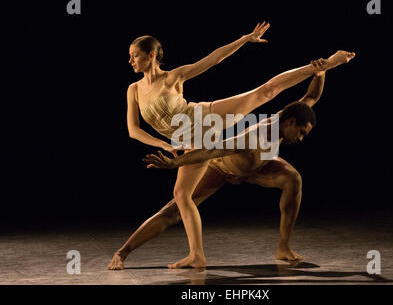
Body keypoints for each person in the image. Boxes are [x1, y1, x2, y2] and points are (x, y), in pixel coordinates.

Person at [126, 20, 355, 268]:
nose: (130, 61)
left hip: (205, 117)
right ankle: (195, 255)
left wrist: (245, 39)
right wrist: (165, 145)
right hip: (191, 140)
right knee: (181, 196)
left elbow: (212, 59)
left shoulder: (173, 77)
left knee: (265, 92)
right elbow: (133, 130)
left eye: (134, 56)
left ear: (150, 55)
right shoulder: (134, 90)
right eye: (130, 56)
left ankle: (330, 61)